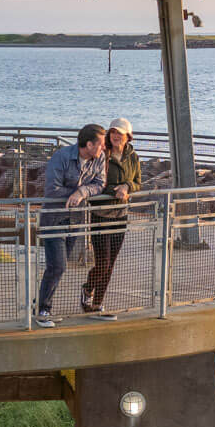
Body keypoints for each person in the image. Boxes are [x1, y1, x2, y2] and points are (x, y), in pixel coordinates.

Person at [36, 124, 106, 325]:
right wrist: (73, 193)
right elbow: (51, 190)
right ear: (89, 144)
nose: (103, 148)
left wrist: (81, 192)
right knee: (58, 265)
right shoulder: (61, 157)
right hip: (54, 217)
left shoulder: (99, 158)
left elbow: (100, 184)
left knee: (58, 267)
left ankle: (40, 302)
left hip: (76, 218)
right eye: (100, 144)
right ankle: (43, 310)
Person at [82, 117, 141, 313]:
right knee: (103, 262)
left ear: (128, 136)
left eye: (120, 133)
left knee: (111, 264)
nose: (116, 136)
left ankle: (97, 303)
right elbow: (91, 180)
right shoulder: (102, 154)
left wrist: (127, 186)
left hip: (121, 215)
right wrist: (111, 190)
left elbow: (138, 182)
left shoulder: (133, 156)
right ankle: (88, 288)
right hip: (101, 213)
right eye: (113, 132)